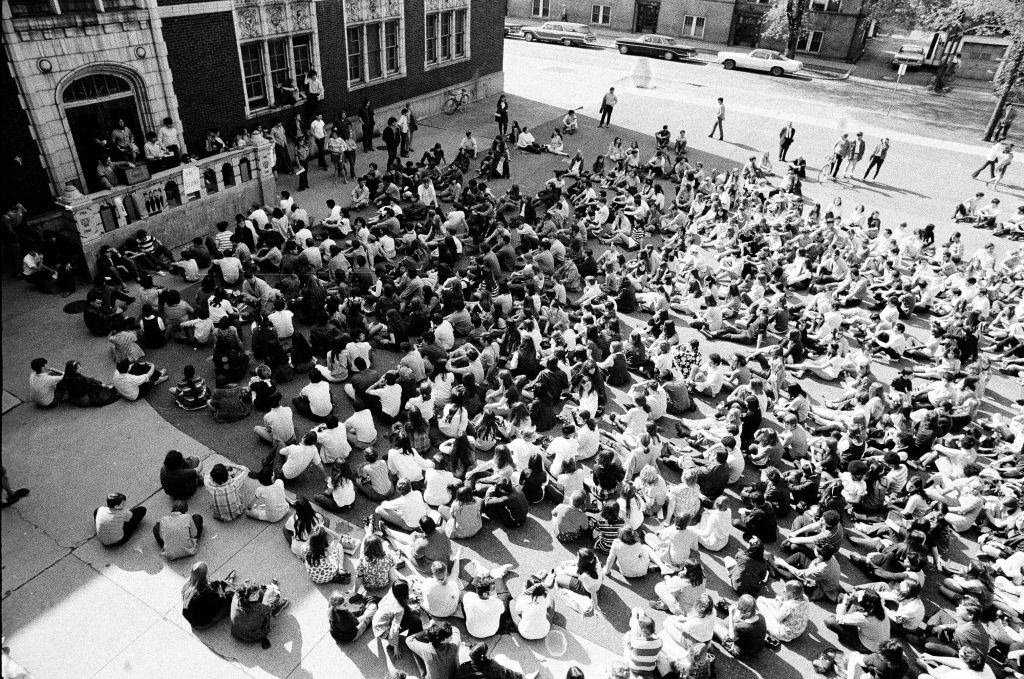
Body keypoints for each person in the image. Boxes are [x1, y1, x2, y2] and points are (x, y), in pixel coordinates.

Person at [230, 578, 290, 649]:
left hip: (236, 633)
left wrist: (261, 589)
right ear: (246, 596)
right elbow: (269, 606)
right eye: (254, 595)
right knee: (273, 599)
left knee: (260, 596)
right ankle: (276, 610)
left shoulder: (236, 596)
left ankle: (269, 588)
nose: (256, 596)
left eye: (256, 594)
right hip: (253, 637)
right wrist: (276, 591)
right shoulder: (259, 608)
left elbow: (253, 592)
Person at [181, 561, 236, 630]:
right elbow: (220, 602)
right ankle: (229, 582)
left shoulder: (187, 584)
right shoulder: (206, 593)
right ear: (205, 575)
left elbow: (210, 587)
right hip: (202, 623)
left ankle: (227, 582)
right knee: (231, 598)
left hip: (192, 618)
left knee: (217, 593)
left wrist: (219, 584)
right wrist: (224, 593)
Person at [458, 642, 539, 679]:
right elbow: (507, 673)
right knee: (500, 658)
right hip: (497, 673)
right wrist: (520, 676)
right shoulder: (493, 667)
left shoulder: (463, 667)